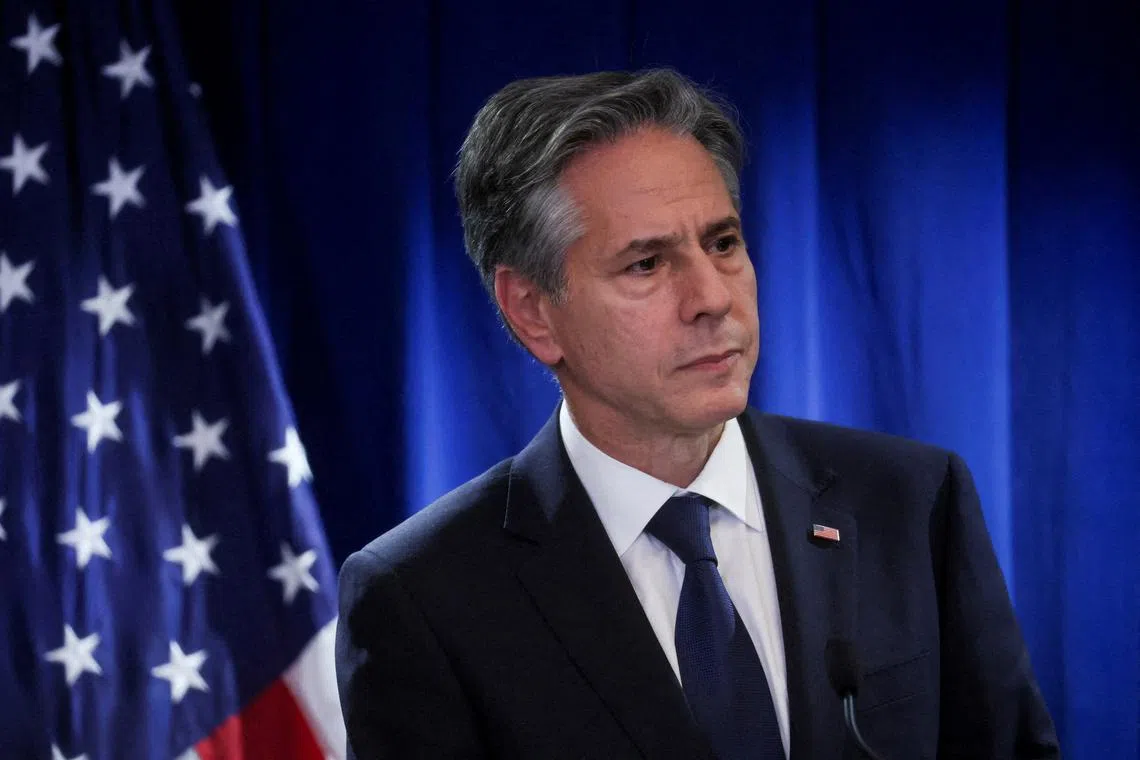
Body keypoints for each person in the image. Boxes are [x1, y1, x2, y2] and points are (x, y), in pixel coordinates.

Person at [334, 69, 1060, 759]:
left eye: (723, 243)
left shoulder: (912, 500)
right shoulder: (423, 596)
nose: (713, 297)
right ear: (533, 311)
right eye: (646, 264)